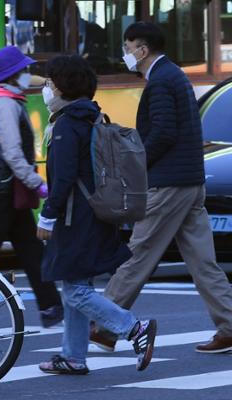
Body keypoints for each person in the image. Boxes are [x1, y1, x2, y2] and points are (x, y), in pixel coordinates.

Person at [91, 22, 232, 354]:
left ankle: (106, 325)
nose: (125, 55)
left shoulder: (161, 81)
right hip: (190, 181)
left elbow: (164, 132)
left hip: (169, 183)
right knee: (202, 261)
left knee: (138, 253)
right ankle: (229, 326)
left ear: (142, 50)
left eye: (127, 48)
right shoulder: (175, 76)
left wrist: (137, 162)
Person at [36, 54, 157, 374]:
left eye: (49, 81)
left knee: (75, 289)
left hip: (76, 218)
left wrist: (47, 216)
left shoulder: (66, 125)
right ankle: (73, 357)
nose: (46, 88)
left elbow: (61, 180)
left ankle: (134, 329)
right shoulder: (89, 117)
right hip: (93, 214)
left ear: (62, 85)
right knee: (77, 286)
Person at [0, 46, 63, 327]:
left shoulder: (8, 100)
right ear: (12, 75)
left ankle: (51, 307)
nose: (28, 74)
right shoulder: (6, 104)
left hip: (7, 189)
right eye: (24, 70)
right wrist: (37, 183)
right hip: (3, 190)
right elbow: (12, 153)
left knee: (30, 249)